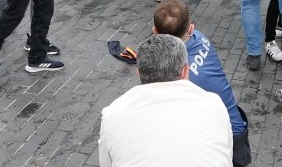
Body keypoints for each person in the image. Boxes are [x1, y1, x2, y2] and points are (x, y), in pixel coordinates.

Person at [98, 34, 232, 166]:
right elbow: (227, 153)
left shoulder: (113, 114)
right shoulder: (214, 104)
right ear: (185, 71)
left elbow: (106, 163)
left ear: (139, 72)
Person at [152, 0, 252, 167]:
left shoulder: (181, 75)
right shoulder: (199, 37)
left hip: (227, 140)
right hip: (234, 124)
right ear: (191, 28)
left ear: (155, 32)